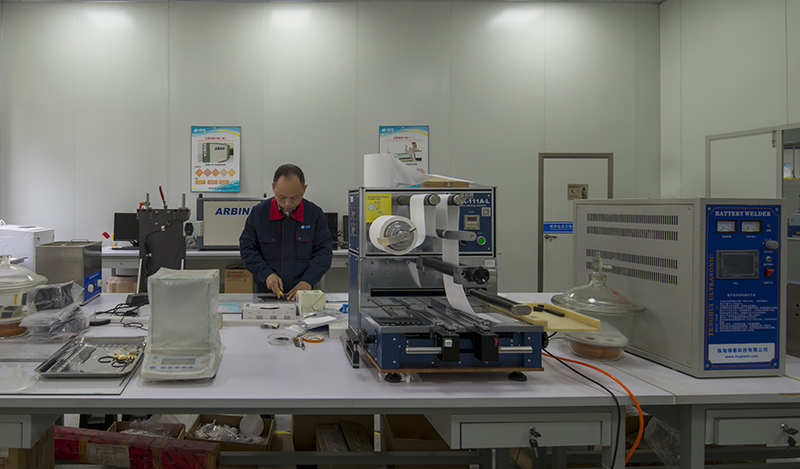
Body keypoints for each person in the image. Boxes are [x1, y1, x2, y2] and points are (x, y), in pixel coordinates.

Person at [239, 164, 333, 300]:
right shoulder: (259, 214)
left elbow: (324, 252)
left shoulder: (314, 214)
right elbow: (247, 249)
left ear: (304, 189)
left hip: (304, 293)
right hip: (267, 292)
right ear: (273, 188)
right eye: (281, 197)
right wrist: (266, 274)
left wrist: (308, 280)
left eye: (294, 197)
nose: (288, 203)